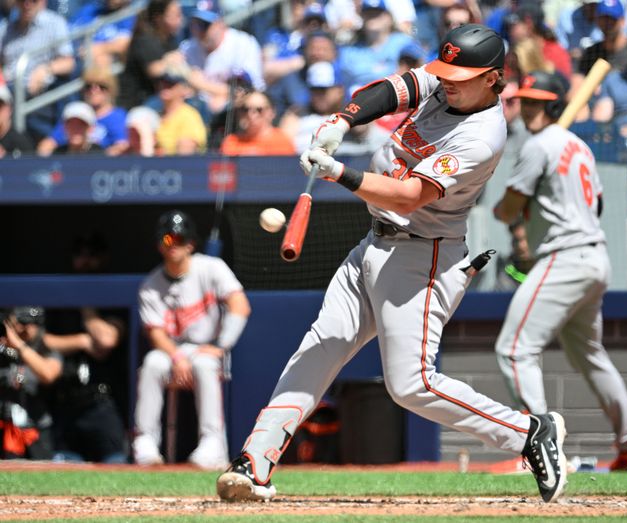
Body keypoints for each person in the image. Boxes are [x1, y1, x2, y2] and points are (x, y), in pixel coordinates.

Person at [216, 24, 568, 504]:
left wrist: (340, 171)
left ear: (492, 78)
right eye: (446, 71)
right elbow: (392, 90)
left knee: (411, 384)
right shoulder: (447, 85)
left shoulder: (482, 135)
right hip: (374, 241)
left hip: (423, 255)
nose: (448, 81)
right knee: (321, 345)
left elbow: (408, 196)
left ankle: (528, 432)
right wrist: (343, 119)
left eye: (461, 75)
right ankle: (255, 461)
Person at [492, 71, 627, 472]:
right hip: (594, 257)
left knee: (514, 350)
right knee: (589, 353)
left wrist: (507, 211)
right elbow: (595, 206)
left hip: (563, 257)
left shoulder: (537, 146)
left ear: (555, 105)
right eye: (526, 100)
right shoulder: (579, 145)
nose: (530, 108)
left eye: (538, 101)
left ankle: (538, 452)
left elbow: (508, 210)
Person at [132, 210, 251, 470]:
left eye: (180, 238)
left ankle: (212, 446)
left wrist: (221, 346)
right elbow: (155, 332)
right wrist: (176, 357)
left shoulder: (211, 267)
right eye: (167, 239)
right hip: (172, 352)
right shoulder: (150, 285)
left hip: (206, 349)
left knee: (203, 364)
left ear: (191, 243)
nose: (174, 244)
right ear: (159, 244)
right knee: (152, 362)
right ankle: (145, 443)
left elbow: (240, 305)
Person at [44, 233, 128, 463]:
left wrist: (86, 304)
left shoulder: (114, 297)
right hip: (66, 403)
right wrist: (81, 340)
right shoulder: (60, 300)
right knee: (63, 473)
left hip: (102, 404)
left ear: (103, 258)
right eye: (79, 255)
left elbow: (106, 341)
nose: (85, 261)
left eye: (92, 255)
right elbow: (44, 340)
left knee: (116, 468)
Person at [0, 0, 76, 141]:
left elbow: (69, 62)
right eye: (22, 1)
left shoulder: (54, 22)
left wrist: (45, 69)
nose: (27, 4)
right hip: (8, 90)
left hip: (40, 92)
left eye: (33, 0)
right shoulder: (6, 29)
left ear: (42, 1)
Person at [179, 0, 265, 114]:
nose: (200, 30)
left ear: (220, 23)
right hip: (198, 113)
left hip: (236, 114)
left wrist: (202, 85)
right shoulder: (187, 48)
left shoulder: (243, 43)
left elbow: (247, 91)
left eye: (205, 25)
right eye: (196, 24)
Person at [0, 307, 62, 460]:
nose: (25, 327)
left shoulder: (45, 350)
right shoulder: (3, 351)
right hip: (7, 428)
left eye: (32, 323)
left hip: (37, 429)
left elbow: (48, 374)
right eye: (21, 322)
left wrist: (19, 345)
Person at [38, 66, 128, 156]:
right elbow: (48, 144)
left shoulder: (117, 117)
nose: (94, 90)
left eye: (101, 86)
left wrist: (100, 157)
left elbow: (122, 147)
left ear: (110, 90)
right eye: (89, 86)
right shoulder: (75, 115)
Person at [117, 0, 185, 110]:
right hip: (135, 103)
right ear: (159, 18)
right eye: (175, 15)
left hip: (156, 97)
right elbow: (153, 70)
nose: (180, 19)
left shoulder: (169, 40)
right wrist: (168, 61)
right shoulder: (144, 39)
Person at [154, 64, 208, 155]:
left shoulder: (189, 116)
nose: (165, 86)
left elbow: (184, 158)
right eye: (162, 82)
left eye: (171, 83)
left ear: (185, 89)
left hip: (173, 168)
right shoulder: (155, 114)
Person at [219, 91, 295, 156]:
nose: (251, 114)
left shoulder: (282, 141)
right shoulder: (231, 142)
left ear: (271, 112)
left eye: (259, 110)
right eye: (245, 109)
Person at [0, 84, 34, 158]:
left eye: (0, 106)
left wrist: (5, 160)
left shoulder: (21, 143)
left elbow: (31, 167)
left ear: (9, 109)